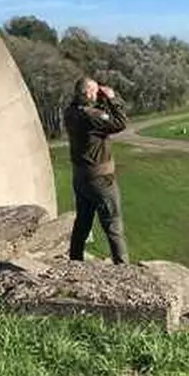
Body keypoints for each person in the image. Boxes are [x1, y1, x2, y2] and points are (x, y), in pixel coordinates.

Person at [63, 76, 129, 264]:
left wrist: (99, 99)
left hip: (81, 178)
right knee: (113, 224)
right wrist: (112, 98)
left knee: (82, 223)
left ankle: (75, 261)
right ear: (87, 93)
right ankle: (124, 269)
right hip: (100, 180)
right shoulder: (90, 116)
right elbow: (120, 122)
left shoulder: (70, 112)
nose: (97, 93)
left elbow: (96, 114)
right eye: (94, 91)